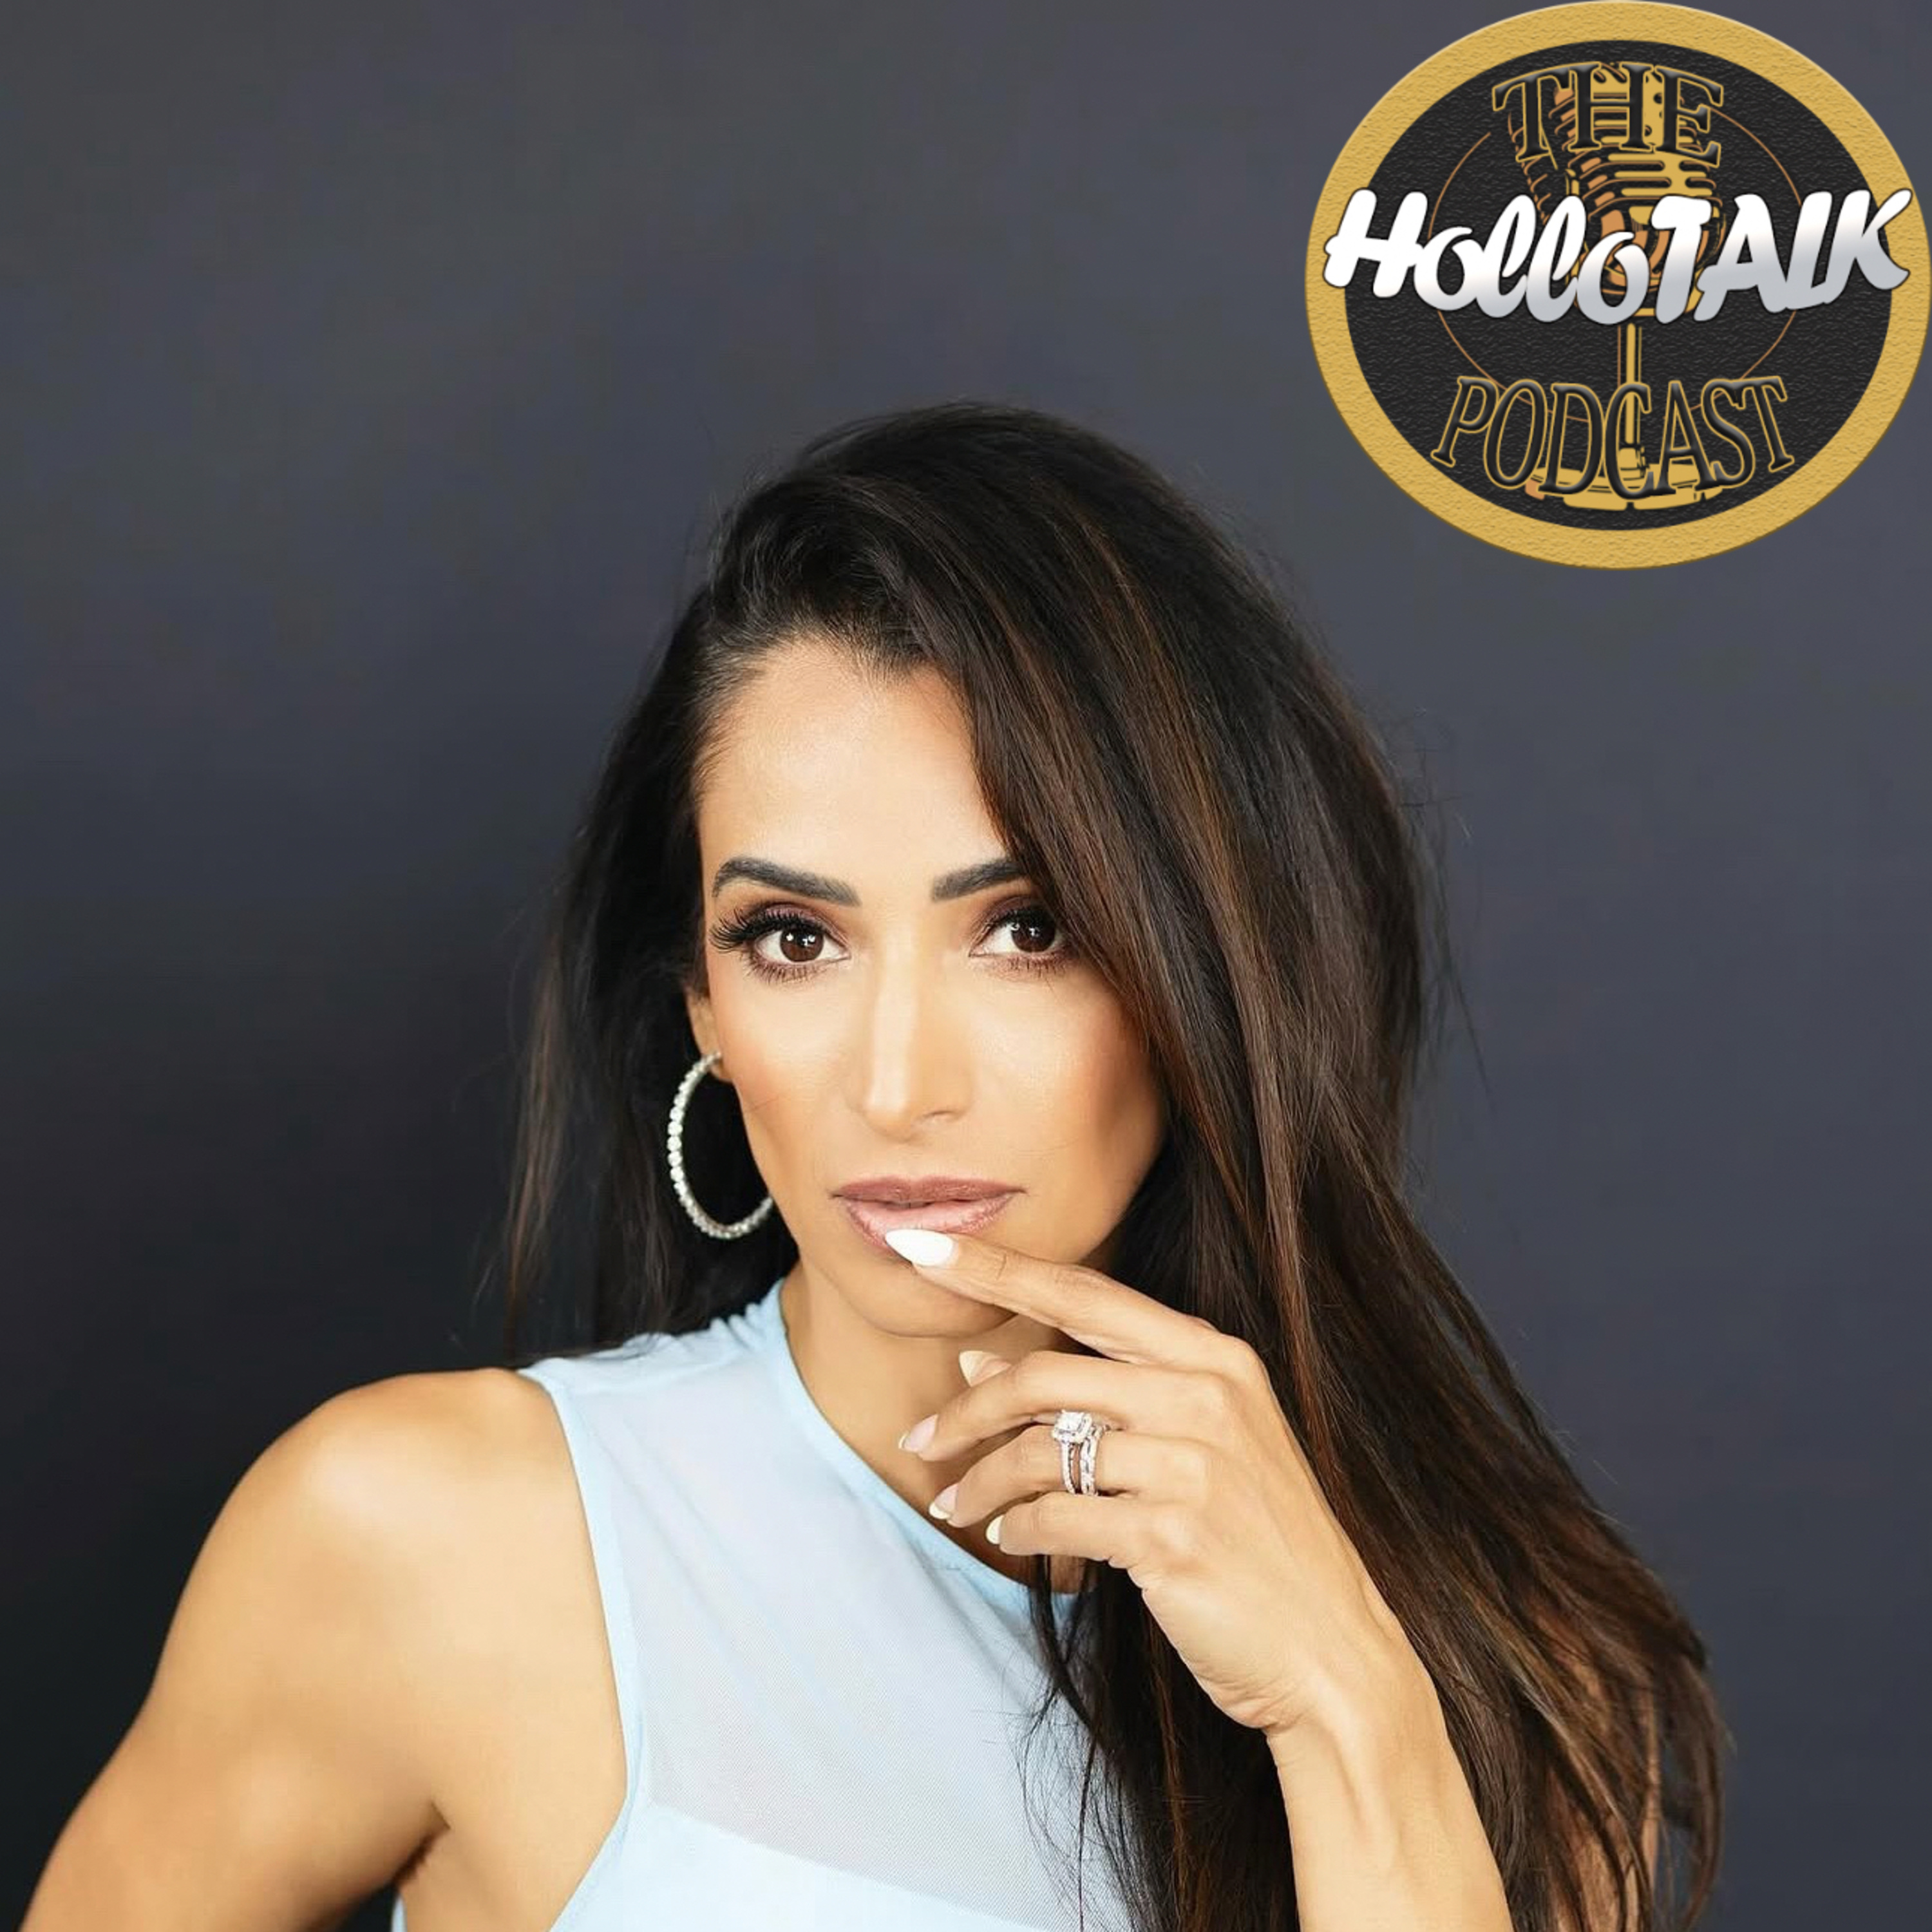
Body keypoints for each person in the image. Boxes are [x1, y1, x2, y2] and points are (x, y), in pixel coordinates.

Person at [23, 399, 1728, 1932]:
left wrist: (1349, 1704)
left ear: (1206, 966)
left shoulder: (1526, 1671)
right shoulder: (426, 1543)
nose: (901, 1085)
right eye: (793, 938)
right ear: (703, 1004)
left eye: (1029, 929)